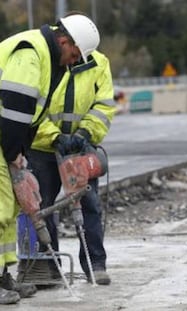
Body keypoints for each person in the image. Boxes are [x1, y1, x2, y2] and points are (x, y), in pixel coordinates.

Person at [0, 14, 100, 304]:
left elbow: (32, 115)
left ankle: (3, 274)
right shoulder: (31, 53)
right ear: (64, 40)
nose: (73, 60)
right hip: (2, 134)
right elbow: (16, 109)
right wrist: (13, 153)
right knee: (1, 205)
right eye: (74, 53)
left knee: (10, 206)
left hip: (4, 136)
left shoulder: (50, 59)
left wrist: (18, 152)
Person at [18, 31, 116, 286]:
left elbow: (104, 106)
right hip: (42, 147)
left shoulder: (99, 63)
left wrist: (85, 132)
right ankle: (47, 269)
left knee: (88, 204)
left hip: (80, 148)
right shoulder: (44, 61)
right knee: (40, 207)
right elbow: (31, 109)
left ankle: (95, 264)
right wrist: (54, 137)